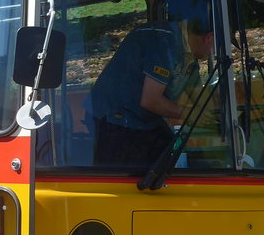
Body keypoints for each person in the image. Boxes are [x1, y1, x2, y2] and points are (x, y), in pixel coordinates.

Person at [91, 9, 215, 167]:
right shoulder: (164, 42)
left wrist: (214, 114)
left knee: (168, 147)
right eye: (217, 47)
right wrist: (190, 114)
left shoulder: (188, 54)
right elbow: (151, 100)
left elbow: (198, 93)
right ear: (209, 38)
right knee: (126, 173)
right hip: (116, 119)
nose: (213, 54)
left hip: (142, 119)